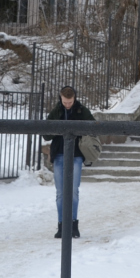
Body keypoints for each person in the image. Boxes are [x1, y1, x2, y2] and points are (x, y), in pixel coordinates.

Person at [44, 86, 95, 239]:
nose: (67, 105)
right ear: (61, 98)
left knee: (73, 191)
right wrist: (58, 129)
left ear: (75, 98)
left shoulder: (81, 110)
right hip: (59, 154)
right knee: (60, 193)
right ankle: (61, 225)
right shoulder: (56, 111)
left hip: (76, 155)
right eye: (65, 102)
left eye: (70, 102)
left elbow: (93, 128)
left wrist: (79, 131)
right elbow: (45, 134)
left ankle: (73, 225)